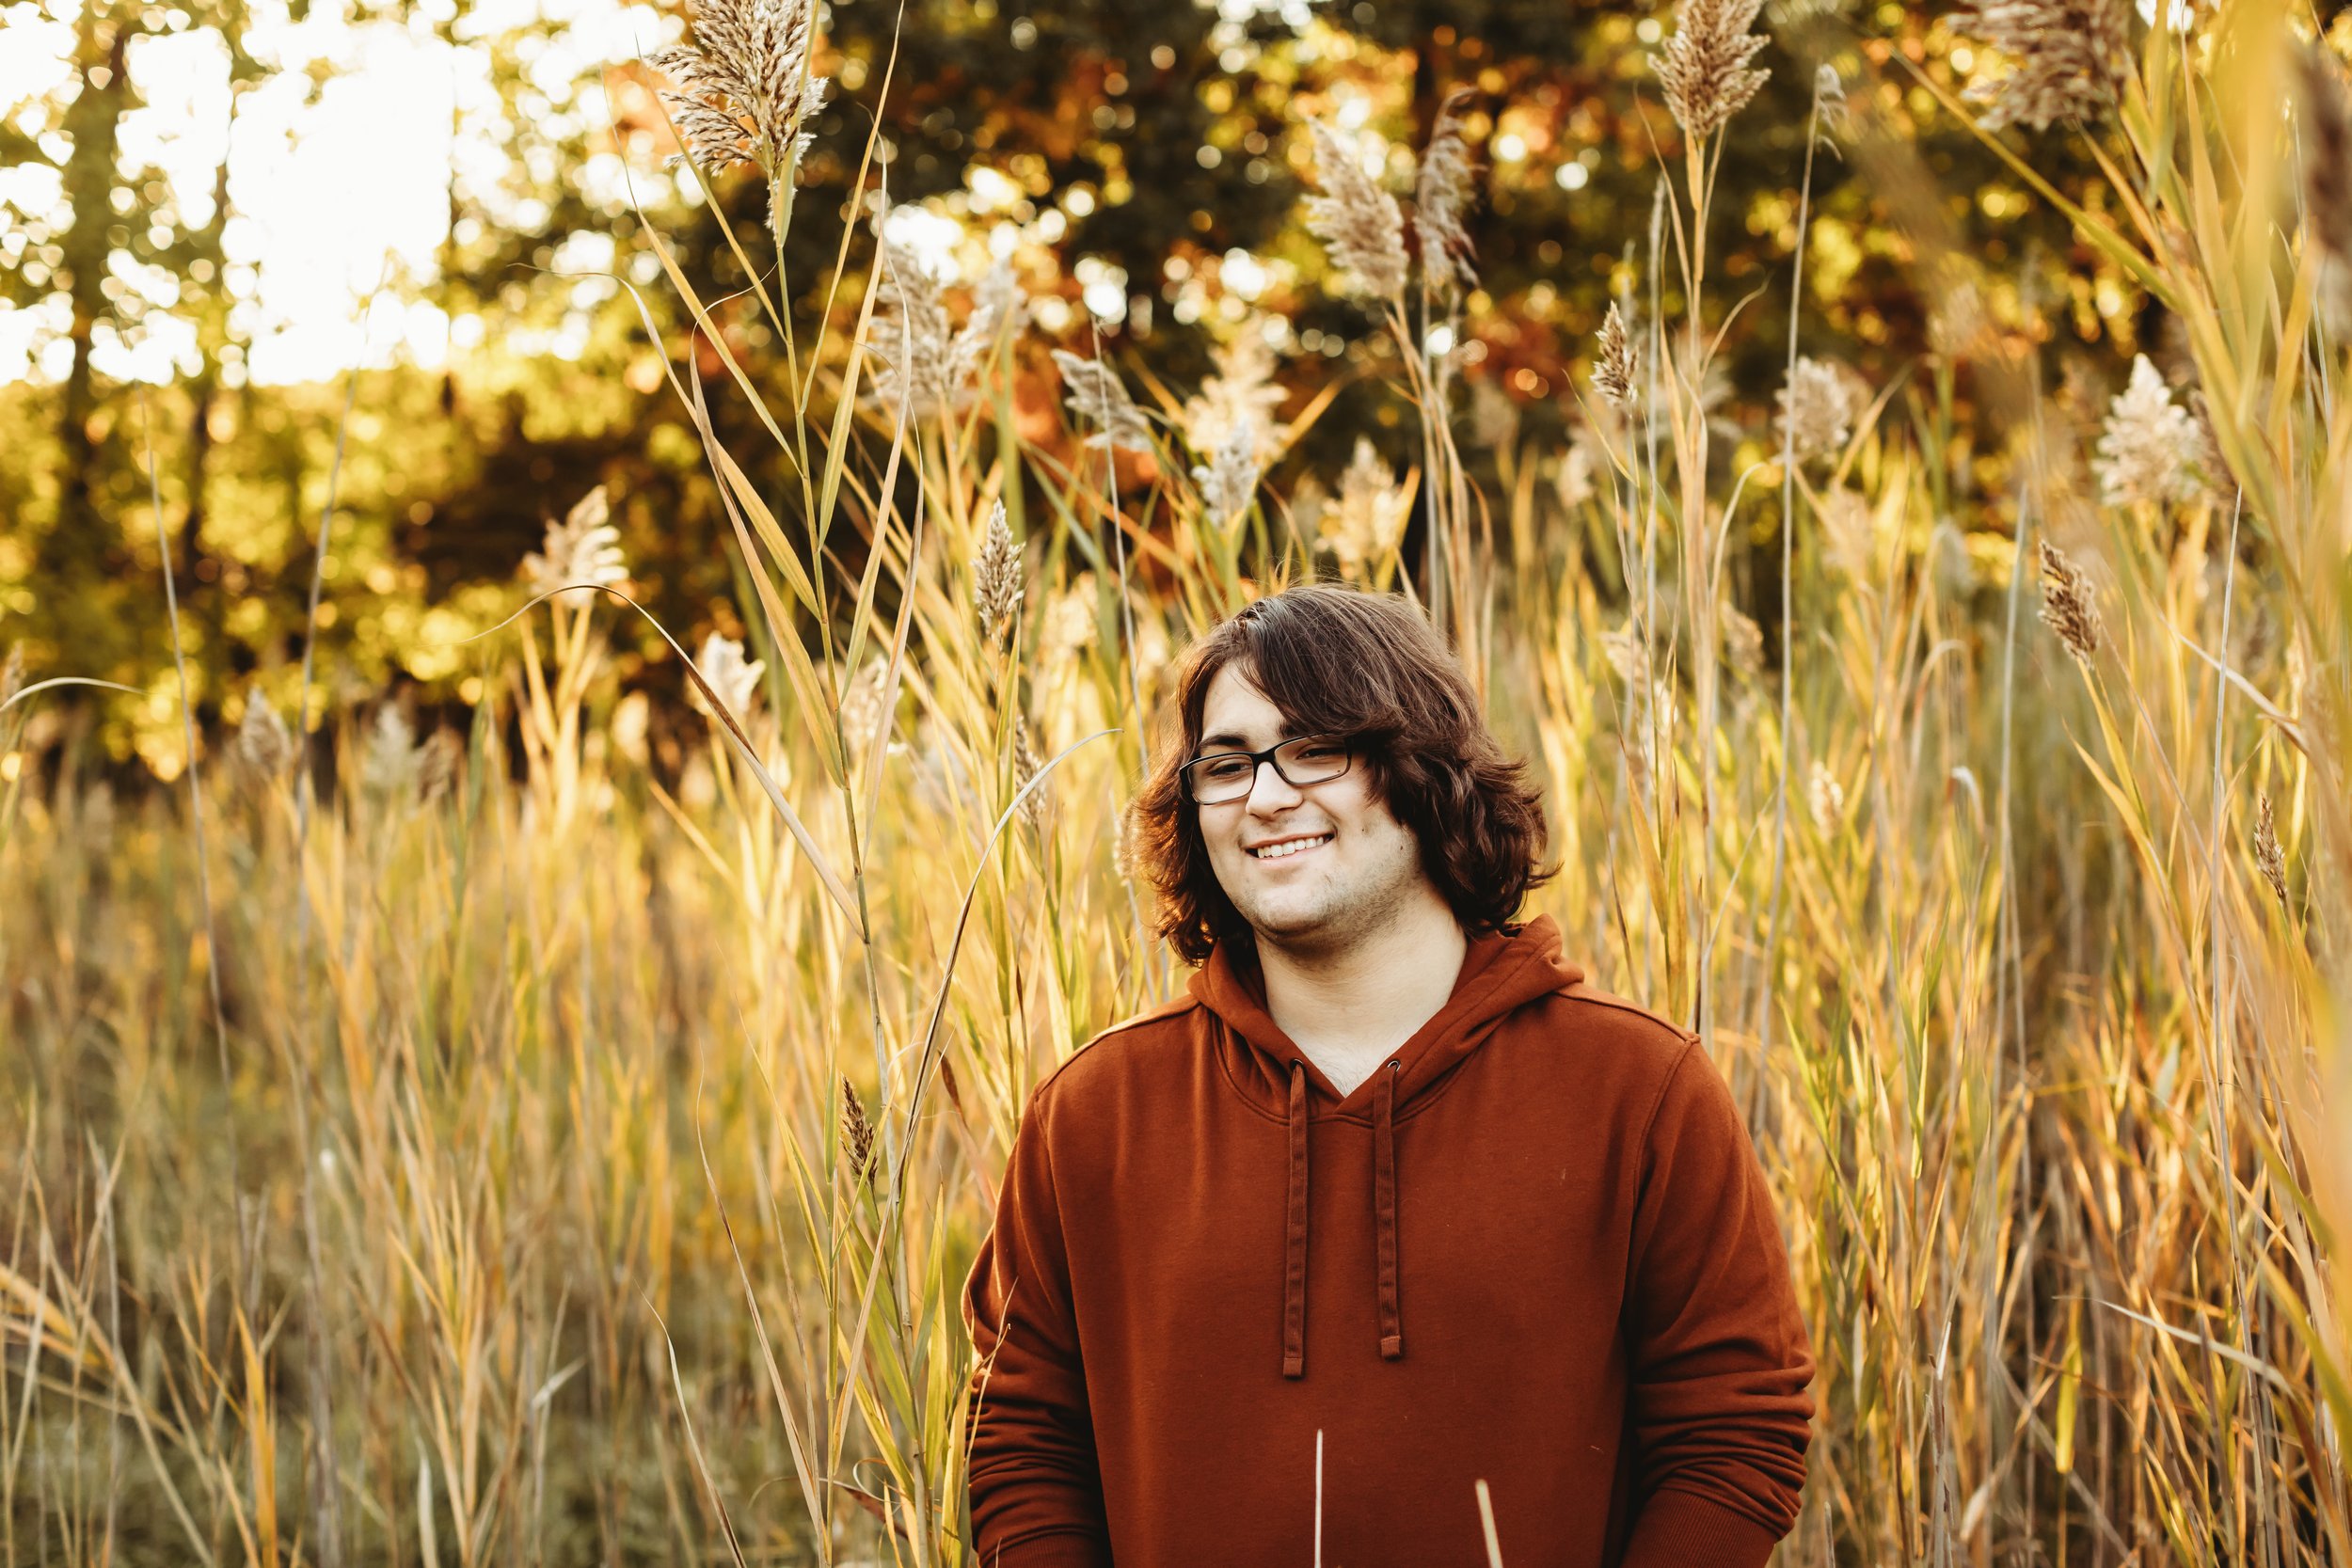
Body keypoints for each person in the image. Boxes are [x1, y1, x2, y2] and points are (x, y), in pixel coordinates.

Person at [961, 582, 1814, 1567]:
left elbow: (1735, 1436)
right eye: (1226, 764)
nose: (1267, 794)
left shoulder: (1638, 1089)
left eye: (1315, 747)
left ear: (1421, 767)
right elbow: (1018, 1441)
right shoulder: (1095, 1115)